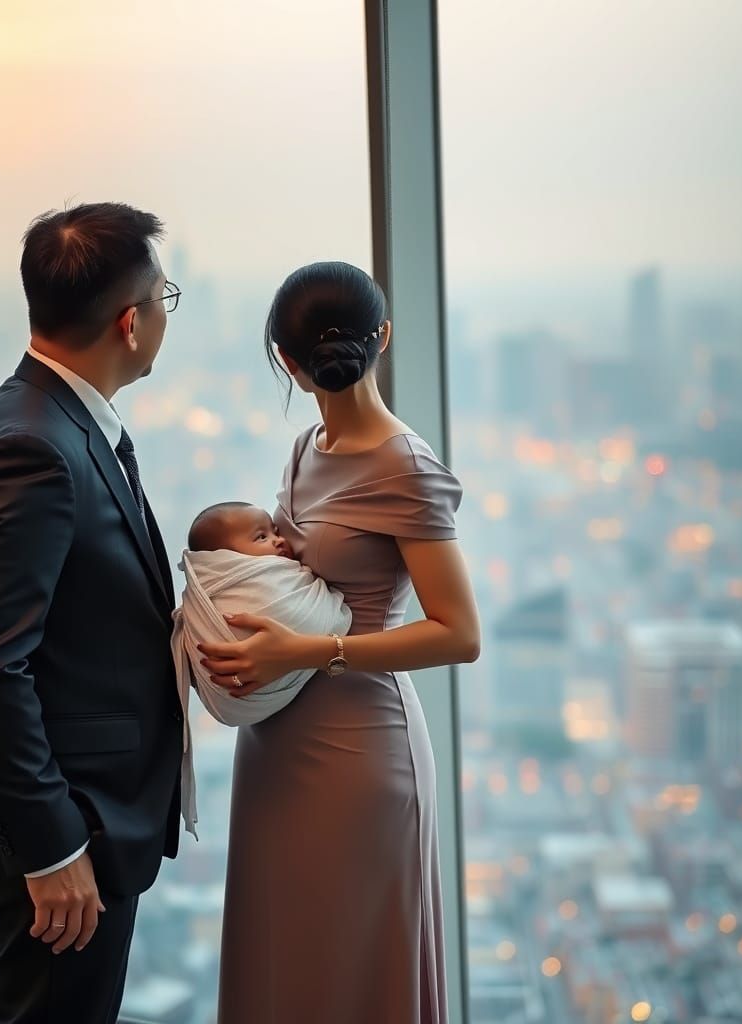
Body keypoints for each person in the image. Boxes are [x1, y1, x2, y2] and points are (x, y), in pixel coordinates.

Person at [202, 261, 481, 1023]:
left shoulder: (406, 467)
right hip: (278, 745)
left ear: (287, 363)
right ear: (382, 337)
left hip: (361, 746)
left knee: (353, 965)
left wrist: (308, 653)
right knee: (284, 957)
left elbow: (459, 633)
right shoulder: (303, 449)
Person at [0, 202, 186, 1024]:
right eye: (161, 298)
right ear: (130, 323)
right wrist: (54, 847)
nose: (160, 314)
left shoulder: (51, 419)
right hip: (62, 831)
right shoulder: (32, 447)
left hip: (79, 816)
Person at [171, 502, 352, 733]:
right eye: (261, 537)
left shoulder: (276, 579)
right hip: (261, 727)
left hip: (320, 716)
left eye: (275, 531)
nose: (279, 540)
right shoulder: (227, 588)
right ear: (224, 559)